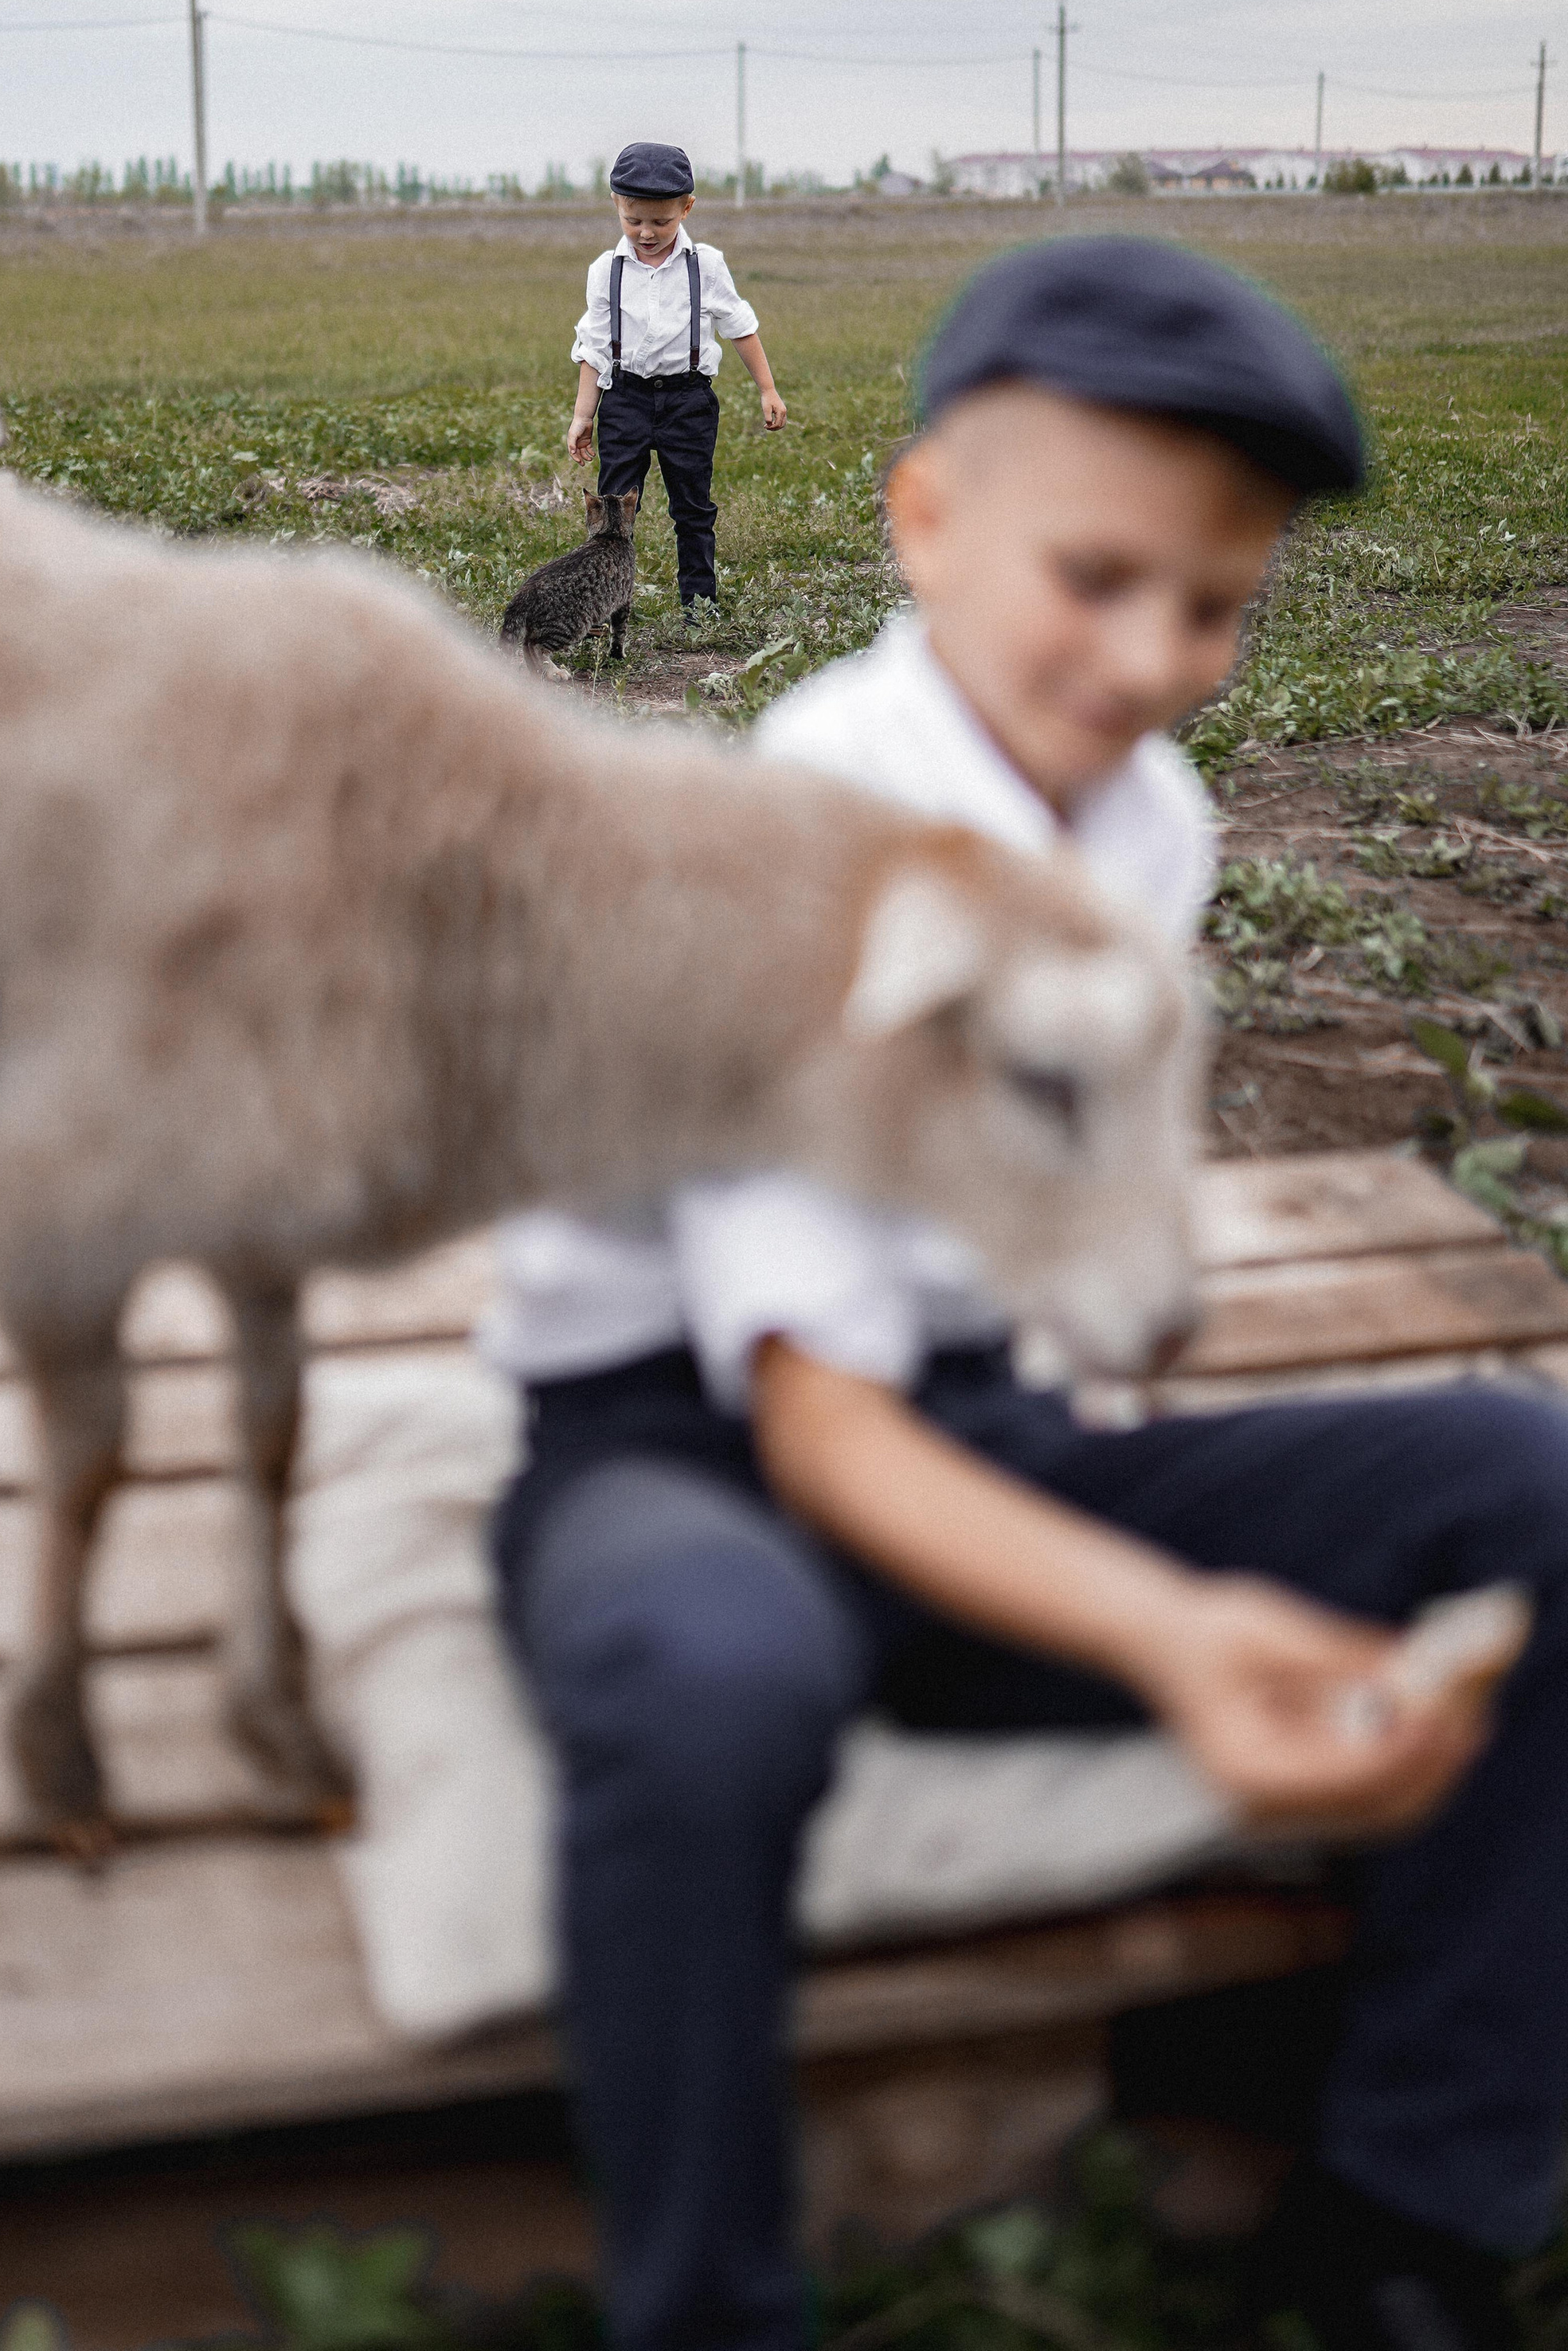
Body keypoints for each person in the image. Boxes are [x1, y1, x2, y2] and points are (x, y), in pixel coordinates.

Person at [482, 236, 1568, 2351]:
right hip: (682, 1455)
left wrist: (1126, 1477)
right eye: (1100, 579)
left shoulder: (1140, 817)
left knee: (1534, 1487)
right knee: (717, 1680)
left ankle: (1405, 2217)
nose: (1155, 655)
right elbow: (809, 1419)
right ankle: (707, 2306)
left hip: (968, 1417)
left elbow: (1029, 1260)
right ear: (927, 520)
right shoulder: (796, 838)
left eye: (1218, 604)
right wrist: (1171, 1626)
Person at [567, 143, 788, 626]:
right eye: (634, 219)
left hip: (688, 400)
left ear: (686, 209)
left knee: (692, 504)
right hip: (625, 398)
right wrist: (585, 415)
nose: (646, 232)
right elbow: (594, 346)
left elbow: (740, 326)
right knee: (612, 509)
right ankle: (606, 607)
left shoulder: (704, 265)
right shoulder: (606, 271)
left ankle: (699, 606)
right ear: (616, 205)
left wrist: (767, 389)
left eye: (660, 222)